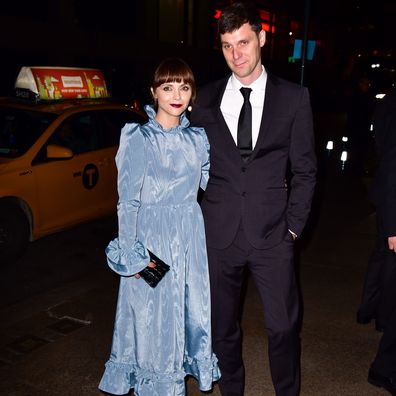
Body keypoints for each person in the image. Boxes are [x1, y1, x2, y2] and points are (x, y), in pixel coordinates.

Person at [190, 3, 317, 396]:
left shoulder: (294, 98)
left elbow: (306, 170)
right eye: (227, 46)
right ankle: (232, 390)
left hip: (273, 235)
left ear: (261, 39)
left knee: (282, 327)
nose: (236, 55)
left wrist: (293, 228)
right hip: (219, 236)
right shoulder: (205, 100)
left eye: (243, 43)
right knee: (223, 328)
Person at [98, 58, 220, 396]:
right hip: (152, 242)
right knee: (153, 324)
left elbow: (216, 185)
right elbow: (127, 201)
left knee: (189, 316)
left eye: (184, 87)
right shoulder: (138, 136)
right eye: (168, 87)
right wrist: (131, 256)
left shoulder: (199, 138)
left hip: (190, 242)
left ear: (192, 93)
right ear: (154, 92)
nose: (176, 94)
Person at [357, 89, 396, 395]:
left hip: (389, 205)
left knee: (383, 264)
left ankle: (375, 312)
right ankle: (385, 368)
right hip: (392, 206)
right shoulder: (392, 102)